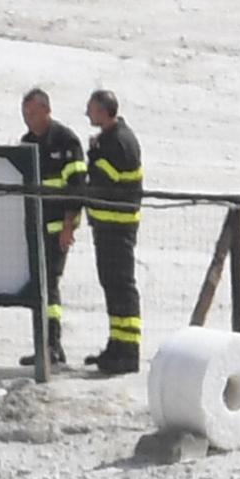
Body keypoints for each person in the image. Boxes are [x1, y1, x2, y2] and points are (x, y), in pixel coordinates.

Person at [18, 88, 88, 367]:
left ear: (47, 110)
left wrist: (69, 227)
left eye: (32, 113)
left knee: (50, 284)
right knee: (41, 286)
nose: (28, 119)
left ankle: (52, 345)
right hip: (35, 227)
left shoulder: (66, 140)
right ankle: (45, 343)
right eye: (25, 114)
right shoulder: (26, 143)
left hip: (59, 227)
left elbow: (77, 187)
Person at [83, 90, 144, 375]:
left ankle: (128, 351)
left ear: (104, 111)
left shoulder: (117, 141)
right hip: (108, 226)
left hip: (116, 227)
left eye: (91, 110)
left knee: (121, 287)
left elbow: (105, 178)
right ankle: (116, 345)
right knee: (112, 287)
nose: (88, 115)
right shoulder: (114, 138)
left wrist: (93, 154)